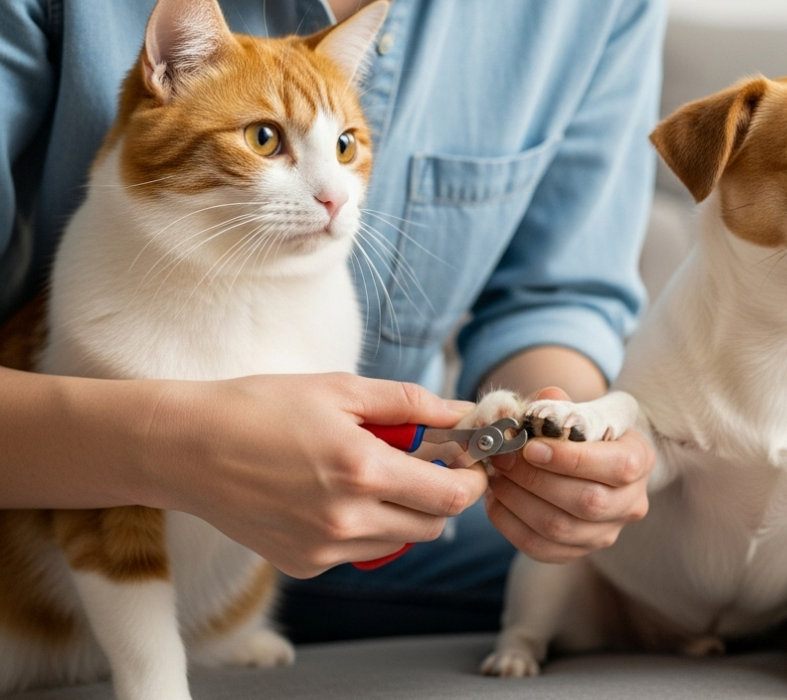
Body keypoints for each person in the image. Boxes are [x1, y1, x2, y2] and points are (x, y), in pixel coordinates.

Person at [0, 0, 663, 641]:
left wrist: (563, 450)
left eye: (345, 146)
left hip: (353, 531)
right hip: (57, 525)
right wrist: (169, 447)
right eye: (266, 138)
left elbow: (552, 298)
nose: (330, 196)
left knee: (653, 571)